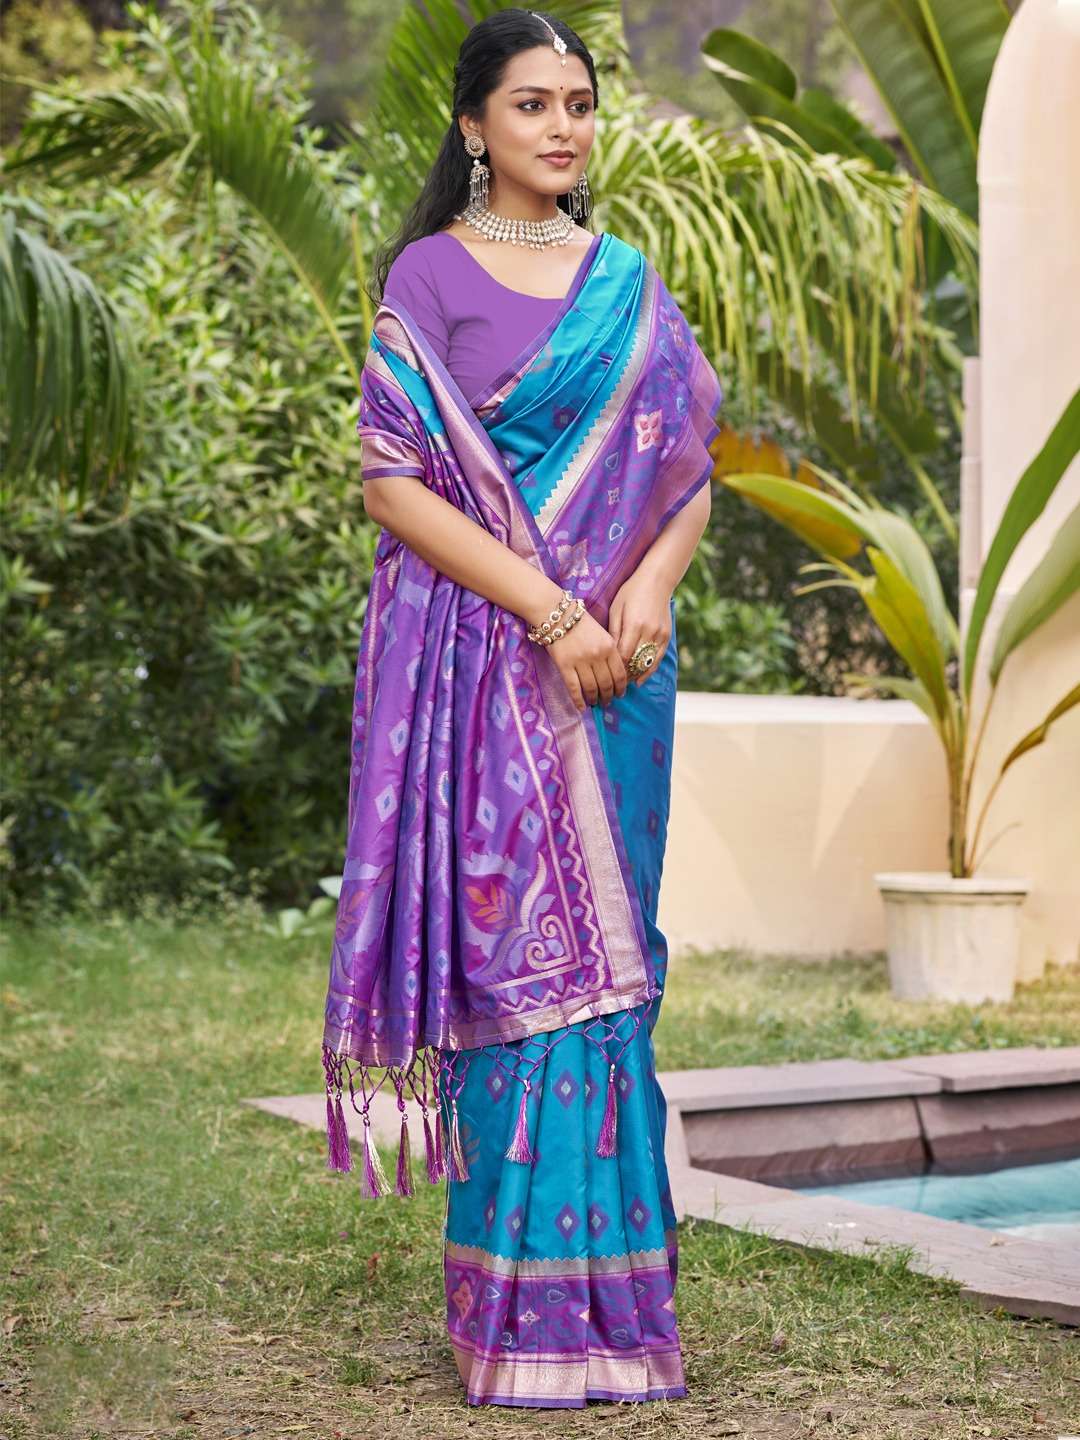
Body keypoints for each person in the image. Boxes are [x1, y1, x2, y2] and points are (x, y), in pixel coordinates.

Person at [320, 7, 723, 1410]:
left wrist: (650, 588)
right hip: (492, 671)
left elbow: (687, 466)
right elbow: (393, 482)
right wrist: (552, 611)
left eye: (580, 104)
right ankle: (518, 1322)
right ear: (474, 126)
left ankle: (622, 1318)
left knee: (616, 975)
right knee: (524, 974)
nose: (563, 127)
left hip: (622, 678)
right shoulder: (430, 275)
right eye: (533, 103)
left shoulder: (628, 281)